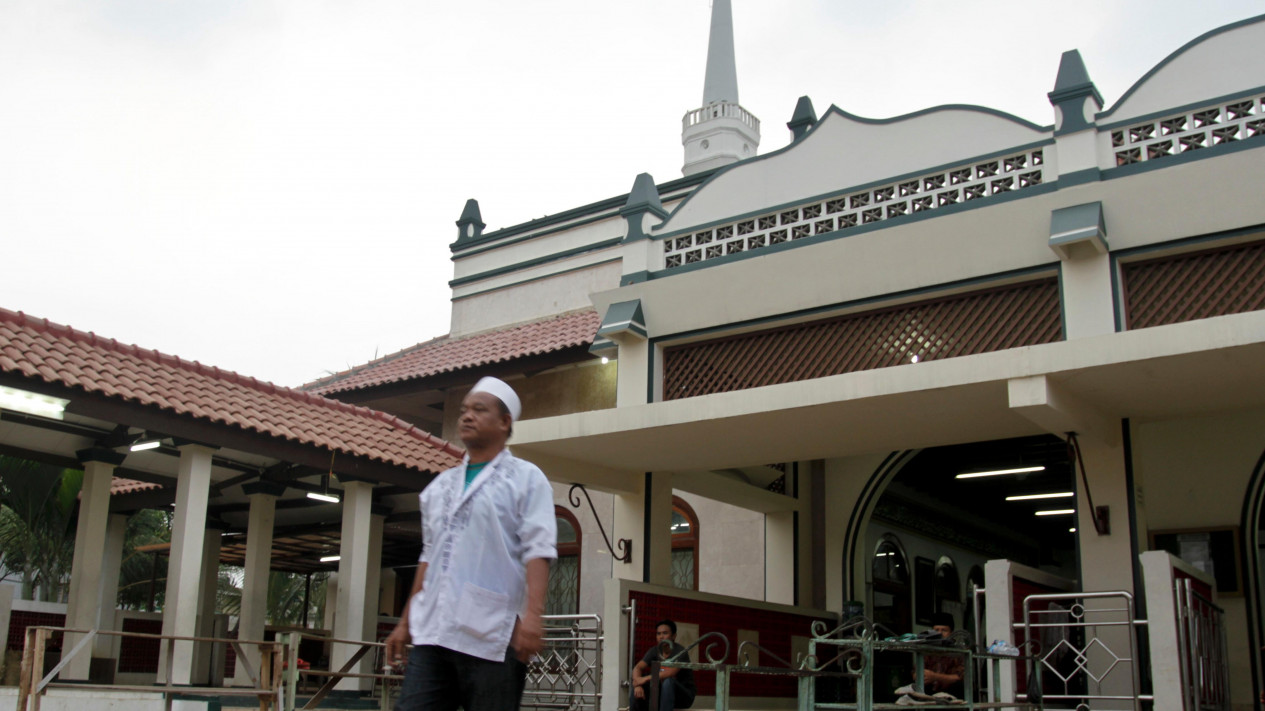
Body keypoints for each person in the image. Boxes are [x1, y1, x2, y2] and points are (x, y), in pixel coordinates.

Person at [386, 376, 557, 711]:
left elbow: (538, 548)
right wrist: (406, 622)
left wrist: (534, 615)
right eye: (464, 409)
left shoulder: (526, 478)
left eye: (479, 410)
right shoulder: (440, 487)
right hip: (433, 632)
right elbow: (429, 557)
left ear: (505, 422)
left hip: (493, 634)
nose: (466, 416)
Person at [630, 619, 695, 711]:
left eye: (665, 633)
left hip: (683, 695)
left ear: (673, 636)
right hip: (662, 694)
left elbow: (671, 673)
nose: (661, 637)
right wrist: (637, 685)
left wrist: (644, 679)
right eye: (658, 634)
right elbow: (638, 667)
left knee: (668, 681)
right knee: (638, 688)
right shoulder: (654, 650)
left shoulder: (680, 651)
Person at [918, 613, 964, 697]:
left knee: (958, 686)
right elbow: (916, 672)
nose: (939, 634)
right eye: (936, 630)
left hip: (951, 692)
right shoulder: (927, 650)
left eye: (944, 630)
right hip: (931, 691)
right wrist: (922, 676)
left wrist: (935, 677)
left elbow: (960, 677)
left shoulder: (959, 651)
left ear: (951, 633)